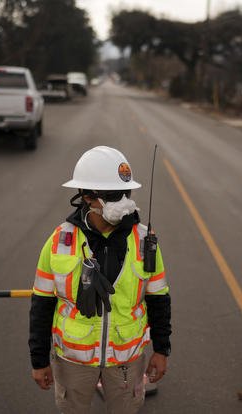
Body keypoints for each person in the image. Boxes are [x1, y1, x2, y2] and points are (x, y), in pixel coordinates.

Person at [28, 146, 172, 414]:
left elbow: (159, 299)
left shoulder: (145, 241)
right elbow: (42, 304)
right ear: (86, 195)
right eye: (112, 195)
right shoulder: (60, 242)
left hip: (126, 360)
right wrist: (39, 361)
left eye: (124, 193)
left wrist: (162, 350)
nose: (123, 201)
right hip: (74, 362)